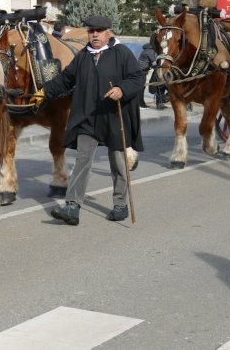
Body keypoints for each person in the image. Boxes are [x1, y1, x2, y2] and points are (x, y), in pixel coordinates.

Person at [30, 15, 145, 225]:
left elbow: (137, 78)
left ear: (108, 32)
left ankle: (120, 205)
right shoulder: (83, 56)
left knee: (118, 162)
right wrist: (44, 92)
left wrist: (121, 89)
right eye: (91, 32)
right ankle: (72, 207)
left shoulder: (122, 53)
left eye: (99, 32)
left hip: (113, 115)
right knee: (82, 160)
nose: (95, 35)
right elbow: (66, 79)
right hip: (87, 117)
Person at [137, 32, 167, 110]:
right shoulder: (150, 50)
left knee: (142, 87)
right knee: (141, 88)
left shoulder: (150, 49)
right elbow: (154, 63)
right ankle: (140, 104)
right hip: (140, 71)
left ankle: (142, 103)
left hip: (143, 70)